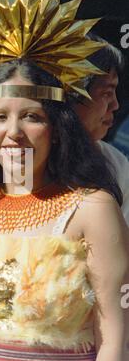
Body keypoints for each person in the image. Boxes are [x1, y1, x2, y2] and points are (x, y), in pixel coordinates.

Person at [0, 0, 129, 361]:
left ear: (57, 126)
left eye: (31, 116)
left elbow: (115, 339)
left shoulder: (92, 209)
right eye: (0, 117)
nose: (13, 133)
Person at [72, 33, 129, 224]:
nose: (115, 105)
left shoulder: (115, 164)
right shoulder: (20, 158)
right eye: (106, 93)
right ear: (71, 94)